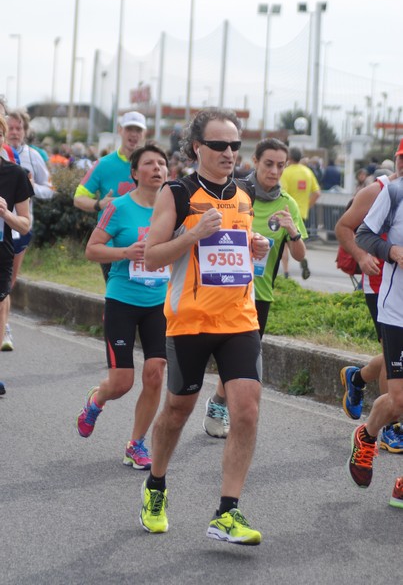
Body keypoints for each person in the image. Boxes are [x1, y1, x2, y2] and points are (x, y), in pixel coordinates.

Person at [139, 108, 268, 544]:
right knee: (177, 411)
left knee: (246, 409)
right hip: (190, 322)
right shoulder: (177, 193)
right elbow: (152, 255)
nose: (229, 152)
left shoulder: (245, 196)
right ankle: (155, 485)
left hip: (239, 319)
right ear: (198, 148)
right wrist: (192, 235)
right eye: (219, 145)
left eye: (235, 145)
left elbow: (239, 251)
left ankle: (227, 512)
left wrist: (258, 248)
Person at [203, 138, 307, 438]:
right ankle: (207, 401)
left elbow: (299, 256)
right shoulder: (234, 193)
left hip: (258, 296)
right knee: (215, 354)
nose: (274, 171)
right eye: (268, 164)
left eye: (280, 166)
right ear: (255, 162)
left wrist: (292, 231)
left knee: (238, 360)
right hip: (221, 289)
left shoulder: (287, 203)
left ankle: (220, 404)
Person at [76, 143, 169, 469]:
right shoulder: (118, 207)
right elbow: (92, 249)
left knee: (155, 374)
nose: (157, 168)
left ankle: (136, 444)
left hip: (160, 302)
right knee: (122, 382)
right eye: (149, 163)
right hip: (123, 300)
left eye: (162, 163)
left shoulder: (174, 210)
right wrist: (125, 253)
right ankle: (96, 400)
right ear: (134, 173)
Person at [335, 140, 403, 452]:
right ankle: (391, 427)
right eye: (402, 158)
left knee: (391, 356)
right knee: (393, 360)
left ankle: (357, 378)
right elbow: (345, 227)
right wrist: (362, 258)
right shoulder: (378, 191)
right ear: (396, 158)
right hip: (379, 284)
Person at [348, 172, 403, 507]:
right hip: (398, 311)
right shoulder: (395, 193)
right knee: (397, 402)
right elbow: (364, 235)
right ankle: (366, 434)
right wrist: (392, 250)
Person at [74, 111, 147, 282]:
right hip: (110, 246)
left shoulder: (153, 165)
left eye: (138, 130)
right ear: (120, 130)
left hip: (145, 243)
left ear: (144, 134)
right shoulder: (103, 164)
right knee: (116, 296)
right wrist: (99, 204)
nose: (134, 135)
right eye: (130, 129)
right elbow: (78, 198)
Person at [2, 109, 53, 351]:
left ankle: (4, 325)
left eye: (17, 128)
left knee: (7, 285)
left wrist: (30, 189)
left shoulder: (32, 158)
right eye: (10, 127)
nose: (14, 132)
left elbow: (49, 189)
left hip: (15, 232)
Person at [0, 114, 34, 393]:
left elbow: (25, 223)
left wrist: (5, 214)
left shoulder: (15, 175)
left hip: (2, 250)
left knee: (0, 304)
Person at [280, 146, 321, 279]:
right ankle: (303, 259)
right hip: (301, 214)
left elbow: (282, 193)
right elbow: (317, 192)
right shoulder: (308, 172)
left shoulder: (286, 172)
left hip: (286, 212)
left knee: (284, 245)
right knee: (297, 241)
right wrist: (306, 206)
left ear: (289, 158)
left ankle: (285, 272)